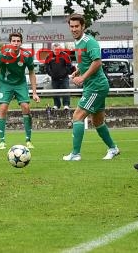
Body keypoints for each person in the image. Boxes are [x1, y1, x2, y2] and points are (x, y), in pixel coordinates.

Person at [62, 13, 120, 161]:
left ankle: (75, 154)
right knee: (97, 121)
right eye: (72, 26)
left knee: (77, 116)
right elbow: (87, 62)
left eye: (77, 26)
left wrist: (82, 77)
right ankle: (113, 149)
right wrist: (78, 71)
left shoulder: (89, 42)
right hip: (95, 85)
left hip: (96, 86)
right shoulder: (78, 42)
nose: (74, 29)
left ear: (83, 27)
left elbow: (97, 62)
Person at [0, 32, 40, 150]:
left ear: (21, 42)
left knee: (26, 107)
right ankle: (1, 141)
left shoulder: (27, 55)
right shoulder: (1, 55)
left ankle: (28, 140)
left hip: (20, 84)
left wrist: (34, 92)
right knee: (3, 108)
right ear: (10, 42)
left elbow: (32, 73)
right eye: (13, 41)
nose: (16, 43)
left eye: (18, 41)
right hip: (5, 84)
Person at [45, 43, 74, 110]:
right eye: (55, 49)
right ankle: (56, 105)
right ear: (52, 49)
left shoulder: (65, 55)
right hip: (54, 78)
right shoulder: (49, 56)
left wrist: (65, 72)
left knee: (66, 91)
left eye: (58, 49)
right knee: (55, 92)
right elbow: (46, 66)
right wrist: (51, 74)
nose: (57, 51)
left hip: (64, 78)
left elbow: (69, 65)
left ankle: (66, 105)